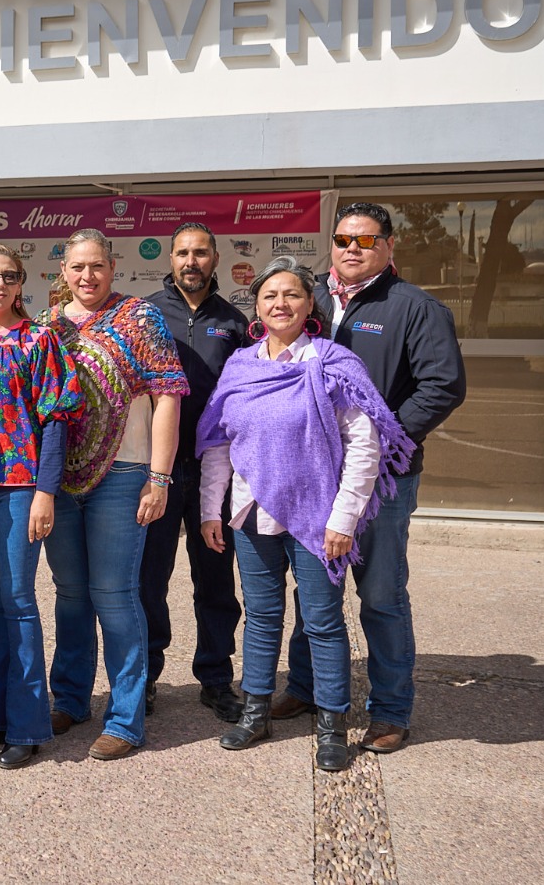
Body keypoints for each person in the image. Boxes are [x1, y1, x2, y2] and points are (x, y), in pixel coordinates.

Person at [197, 256, 413, 771]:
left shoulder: (332, 363)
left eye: (291, 294)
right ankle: (255, 711)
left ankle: (331, 723)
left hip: (318, 516)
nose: (280, 304)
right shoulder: (241, 367)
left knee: (321, 620)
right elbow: (220, 445)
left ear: (309, 303)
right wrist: (211, 509)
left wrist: (343, 520)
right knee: (263, 617)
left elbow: (365, 446)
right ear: (257, 307)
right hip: (252, 514)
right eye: (270, 295)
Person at [271, 203, 467, 753]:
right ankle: (307, 687)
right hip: (312, 477)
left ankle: (390, 710)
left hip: (383, 480)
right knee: (316, 589)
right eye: (342, 238)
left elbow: (442, 386)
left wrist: (384, 441)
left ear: (388, 247)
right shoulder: (310, 301)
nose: (352, 248)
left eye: (366, 239)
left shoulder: (414, 307)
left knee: (380, 595)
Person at [42, 229, 187, 761]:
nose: (87, 276)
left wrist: (159, 476)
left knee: (115, 594)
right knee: (70, 592)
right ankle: (72, 698)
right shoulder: (48, 326)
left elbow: (168, 396)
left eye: (97, 266)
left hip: (125, 474)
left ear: (113, 267)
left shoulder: (140, 318)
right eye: (78, 267)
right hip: (59, 479)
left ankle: (125, 717)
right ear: (63, 272)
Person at [0, 246, 81, 769]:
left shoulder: (38, 339)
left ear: (20, 285)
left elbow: (56, 418)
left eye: (9, 276)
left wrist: (46, 491)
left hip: (22, 487)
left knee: (20, 600)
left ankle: (28, 723)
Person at [142, 223, 250, 723]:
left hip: (215, 475)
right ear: (170, 259)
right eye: (182, 253)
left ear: (215, 258)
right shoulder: (144, 314)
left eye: (200, 253)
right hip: (156, 472)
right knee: (150, 580)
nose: (191, 261)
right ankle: (144, 677)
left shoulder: (235, 322)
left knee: (215, 580)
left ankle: (215, 677)